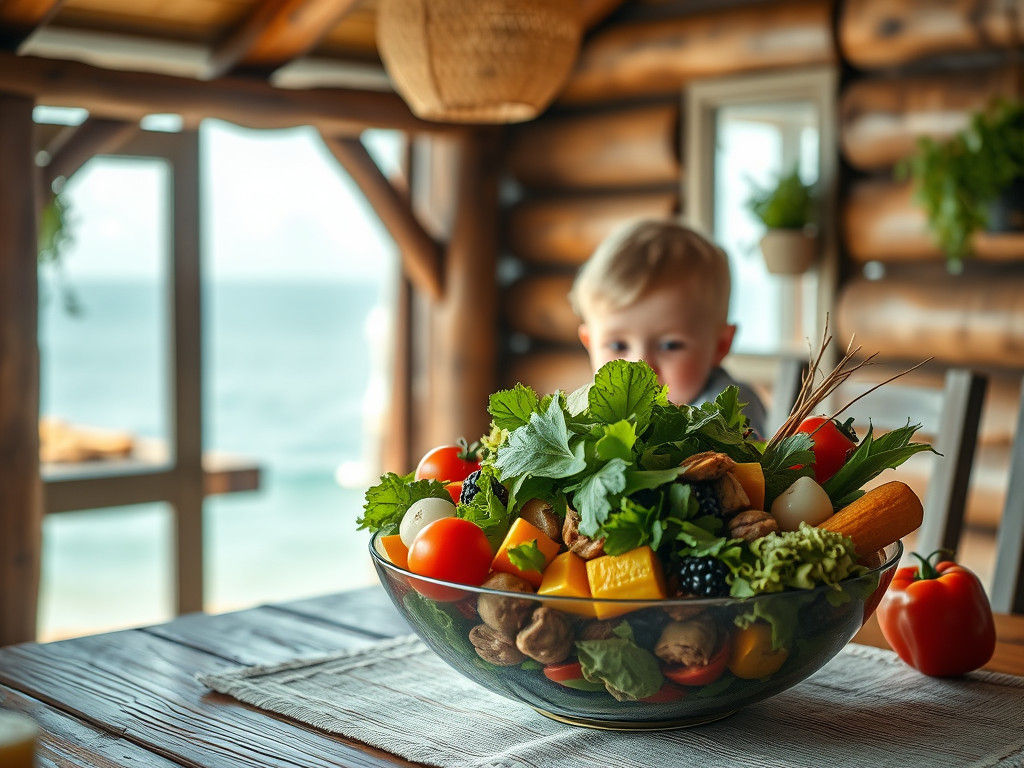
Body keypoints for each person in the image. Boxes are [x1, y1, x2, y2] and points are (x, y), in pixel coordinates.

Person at [569, 218, 768, 437]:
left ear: (720, 346)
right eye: (618, 345)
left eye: (670, 345)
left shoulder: (728, 412)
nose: (641, 367)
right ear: (589, 343)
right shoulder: (586, 413)